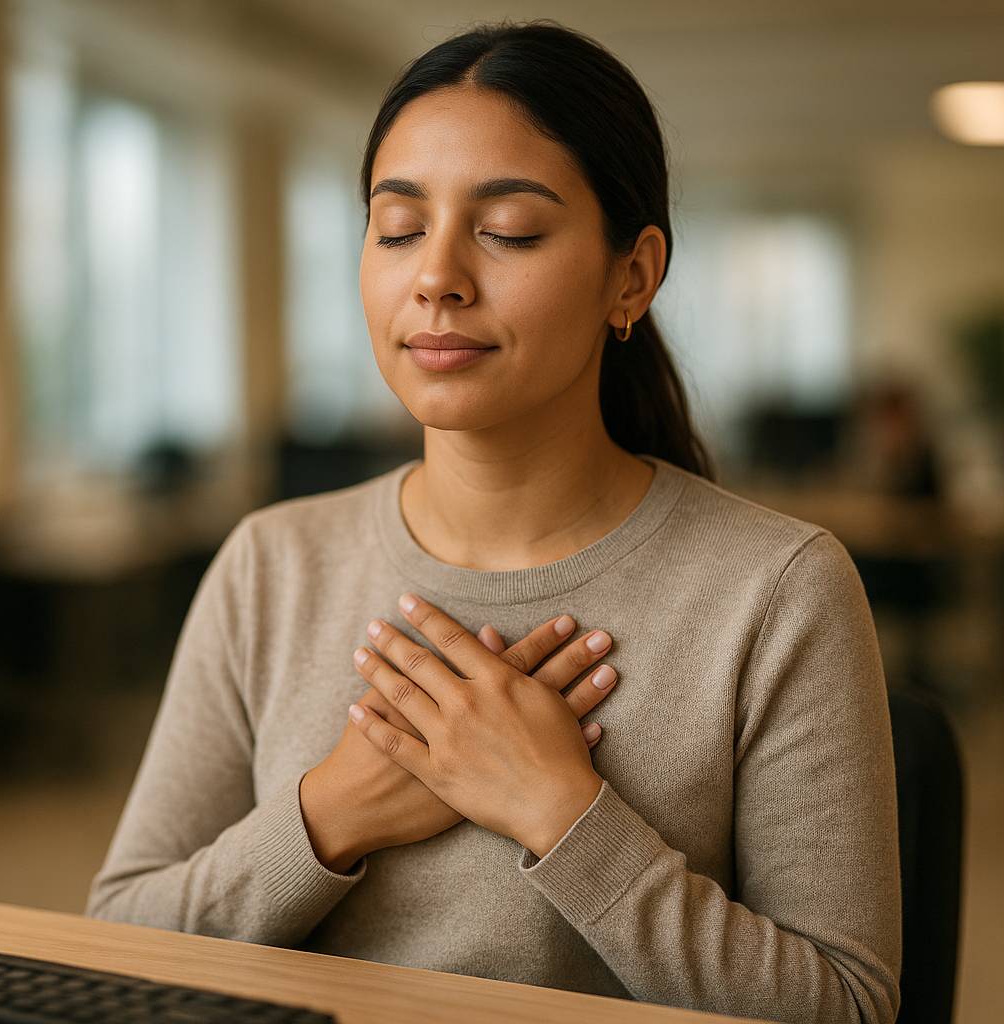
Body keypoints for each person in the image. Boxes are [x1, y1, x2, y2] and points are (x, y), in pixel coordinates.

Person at [86, 20, 900, 1024]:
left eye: (508, 228)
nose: (436, 276)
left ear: (632, 277)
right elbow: (111, 943)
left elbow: (850, 1007)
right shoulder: (271, 563)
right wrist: (331, 814)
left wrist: (559, 809)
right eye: (397, 228)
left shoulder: (777, 589)